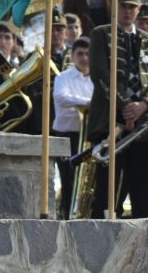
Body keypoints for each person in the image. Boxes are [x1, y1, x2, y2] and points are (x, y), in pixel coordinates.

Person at [86, 0, 148, 219]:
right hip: (109, 122)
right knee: (107, 193)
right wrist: (126, 106)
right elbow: (100, 74)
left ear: (139, 9)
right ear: (115, 7)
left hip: (144, 126)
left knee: (144, 192)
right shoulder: (101, 34)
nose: (127, 11)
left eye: (132, 7)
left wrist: (144, 105)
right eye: (123, 6)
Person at [53, 36, 92, 218]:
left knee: (85, 181)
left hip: (88, 137)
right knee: (68, 179)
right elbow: (62, 97)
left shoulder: (97, 78)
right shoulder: (63, 77)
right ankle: (66, 216)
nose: (84, 58)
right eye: (80, 54)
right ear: (73, 55)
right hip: (66, 134)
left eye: (87, 54)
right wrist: (89, 103)